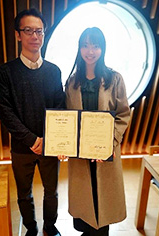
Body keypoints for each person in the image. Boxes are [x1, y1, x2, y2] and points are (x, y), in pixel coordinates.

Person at [55, 27, 131, 236]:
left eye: (95, 46)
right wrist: (63, 144)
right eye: (86, 45)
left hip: (104, 151)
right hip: (80, 154)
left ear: (102, 49)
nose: (90, 51)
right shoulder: (72, 82)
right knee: (84, 203)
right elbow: (67, 118)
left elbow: (123, 114)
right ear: (79, 48)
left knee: (102, 200)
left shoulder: (115, 79)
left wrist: (111, 142)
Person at [0, 8, 65, 236]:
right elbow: (5, 111)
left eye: (39, 31)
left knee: (51, 192)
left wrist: (52, 140)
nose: (34, 36)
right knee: (24, 193)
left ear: (44, 35)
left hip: (49, 145)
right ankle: (32, 229)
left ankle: (49, 226)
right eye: (28, 31)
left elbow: (60, 108)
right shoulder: (6, 71)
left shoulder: (54, 71)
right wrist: (31, 139)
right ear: (18, 35)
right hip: (22, 147)